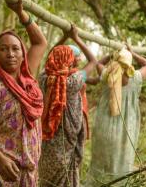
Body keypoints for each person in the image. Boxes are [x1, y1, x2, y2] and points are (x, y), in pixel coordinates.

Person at [0, 0, 47, 186]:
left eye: (15, 49)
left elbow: (40, 42)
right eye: (3, 49)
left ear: (23, 54)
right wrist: (1, 159)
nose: (10, 54)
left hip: (28, 172)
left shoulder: (27, 78)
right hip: (0, 172)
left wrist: (20, 13)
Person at [86, 45, 146, 186]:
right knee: (123, 159)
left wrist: (113, 54)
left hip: (104, 125)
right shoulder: (136, 77)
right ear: (129, 64)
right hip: (127, 127)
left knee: (101, 159)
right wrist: (133, 52)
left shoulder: (106, 75)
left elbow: (98, 63)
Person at [38, 25, 97, 187]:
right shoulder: (73, 81)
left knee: (47, 178)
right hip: (67, 139)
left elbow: (50, 55)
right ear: (70, 61)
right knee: (67, 178)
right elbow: (93, 61)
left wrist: (64, 37)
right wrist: (76, 37)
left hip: (47, 139)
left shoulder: (43, 77)